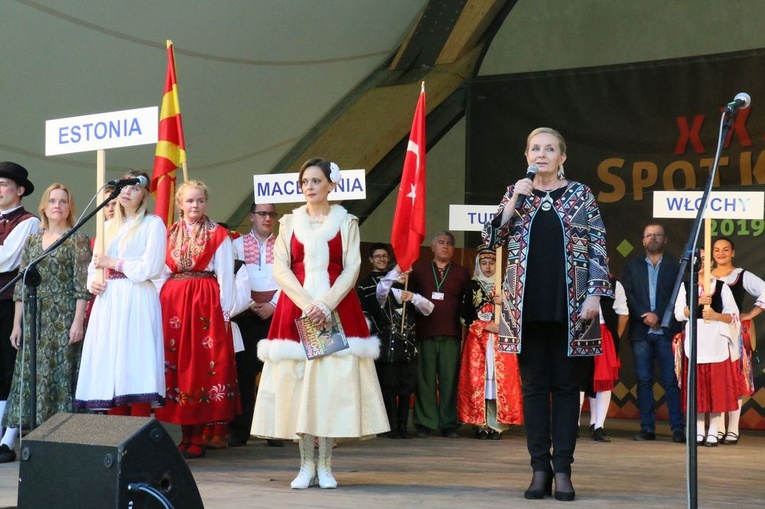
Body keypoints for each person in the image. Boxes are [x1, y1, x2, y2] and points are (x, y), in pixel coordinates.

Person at [483, 127, 610, 501]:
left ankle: (564, 470)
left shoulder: (580, 194)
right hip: (526, 308)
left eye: (549, 149)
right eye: (535, 148)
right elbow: (491, 240)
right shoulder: (516, 193)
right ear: (526, 155)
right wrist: (512, 203)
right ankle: (540, 469)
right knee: (534, 389)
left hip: (572, 308)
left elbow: (598, 245)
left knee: (568, 388)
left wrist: (595, 295)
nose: (542, 154)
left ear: (562, 157)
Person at [251, 158, 388, 490]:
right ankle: (304, 464)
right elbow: (281, 267)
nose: (309, 187)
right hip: (296, 311)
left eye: (315, 181)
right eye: (304, 182)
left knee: (328, 387)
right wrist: (307, 303)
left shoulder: (347, 222)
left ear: (330, 185)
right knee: (299, 386)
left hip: (336, 310)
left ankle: (326, 464)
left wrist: (325, 304)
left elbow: (352, 266)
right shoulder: (289, 222)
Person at [0, 184, 90, 464]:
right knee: (29, 373)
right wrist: (17, 324)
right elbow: (23, 286)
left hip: (63, 313)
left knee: (60, 374)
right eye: (52, 201)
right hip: (36, 312)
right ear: (44, 206)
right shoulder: (33, 241)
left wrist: (78, 321)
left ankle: (62, 438)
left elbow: (81, 284)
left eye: (63, 201)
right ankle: (18, 439)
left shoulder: (77, 239)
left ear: (69, 207)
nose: (57, 206)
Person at [154, 180, 239, 460]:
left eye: (200, 201)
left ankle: (199, 436)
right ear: (180, 203)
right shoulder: (167, 234)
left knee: (202, 367)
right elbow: (161, 273)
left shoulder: (218, 234)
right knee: (178, 367)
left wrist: (224, 312)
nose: (195, 206)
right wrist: (155, 307)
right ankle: (185, 435)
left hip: (204, 304)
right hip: (174, 304)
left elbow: (226, 275)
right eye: (190, 201)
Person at [74, 170, 166, 418]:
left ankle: (138, 429)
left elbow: (151, 267)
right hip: (109, 299)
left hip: (136, 296)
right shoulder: (106, 226)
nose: (127, 191)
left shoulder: (152, 224)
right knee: (110, 363)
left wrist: (114, 263)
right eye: (124, 186)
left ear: (144, 194)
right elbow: (94, 266)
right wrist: (93, 282)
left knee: (135, 361)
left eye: (134, 188)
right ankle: (115, 433)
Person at [357, 244, 434, 439]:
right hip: (388, 348)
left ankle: (402, 426)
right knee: (389, 386)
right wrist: (397, 270)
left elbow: (429, 308)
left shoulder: (410, 295)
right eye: (399, 273)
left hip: (408, 348)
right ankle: (390, 426)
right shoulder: (384, 294)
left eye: (404, 274)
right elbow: (382, 288)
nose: (401, 277)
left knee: (407, 387)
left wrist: (414, 297)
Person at [622, 222, 685, 443]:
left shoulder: (677, 266)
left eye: (657, 235)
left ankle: (678, 428)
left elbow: (678, 294)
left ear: (665, 239)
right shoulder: (632, 266)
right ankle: (647, 428)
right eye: (649, 235)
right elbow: (628, 294)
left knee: (671, 380)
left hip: (667, 330)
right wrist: (645, 315)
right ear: (642, 240)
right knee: (644, 381)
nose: (653, 238)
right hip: (641, 331)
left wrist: (658, 314)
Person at [408, 231, 470, 439]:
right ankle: (424, 423)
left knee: (449, 380)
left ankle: (448, 423)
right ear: (432, 247)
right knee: (424, 380)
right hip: (425, 332)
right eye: (441, 242)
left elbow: (469, 304)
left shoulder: (461, 272)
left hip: (451, 334)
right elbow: (408, 297)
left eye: (450, 244)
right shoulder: (419, 269)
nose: (446, 246)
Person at [229, 202, 282, 448]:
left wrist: (273, 303)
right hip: (246, 314)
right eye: (262, 213)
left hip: (276, 314)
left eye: (271, 214)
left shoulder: (283, 244)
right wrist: (249, 303)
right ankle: (241, 431)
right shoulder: (236, 245)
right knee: (244, 374)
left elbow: (290, 278)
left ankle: (274, 431)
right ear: (251, 216)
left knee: (275, 373)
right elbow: (232, 278)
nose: (267, 218)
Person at [457, 245, 522, 440]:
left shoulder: (506, 287)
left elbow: (518, 314)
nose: (488, 267)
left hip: (501, 343)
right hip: (478, 343)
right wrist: (484, 327)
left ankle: (497, 424)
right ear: (478, 264)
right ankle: (480, 424)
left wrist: (506, 303)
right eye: (483, 263)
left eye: (492, 263)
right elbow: (463, 316)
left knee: (498, 383)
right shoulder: (471, 287)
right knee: (480, 383)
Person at [675, 249, 739, 446]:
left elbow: (733, 315)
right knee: (697, 387)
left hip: (716, 342)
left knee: (716, 388)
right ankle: (698, 429)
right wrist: (696, 304)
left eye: (704, 259)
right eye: (697, 260)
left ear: (711, 262)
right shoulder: (686, 287)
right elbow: (678, 313)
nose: (701, 263)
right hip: (695, 342)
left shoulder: (721, 287)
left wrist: (716, 316)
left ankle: (714, 429)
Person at [0, 162, 39, 456]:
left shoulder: (28, 222)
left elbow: (9, 258)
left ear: (20, 190)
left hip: (9, 301)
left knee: (9, 367)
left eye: (3, 184)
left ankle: (8, 436)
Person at [711, 237, 764, 444]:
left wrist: (750, 313)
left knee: (735, 378)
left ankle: (733, 427)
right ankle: (719, 427)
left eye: (725, 249)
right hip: (710, 334)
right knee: (716, 378)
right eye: (717, 250)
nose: (721, 253)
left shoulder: (741, 275)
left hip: (733, 334)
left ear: (733, 252)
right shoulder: (704, 277)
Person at [579, 273, 628, 442]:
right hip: (579, 333)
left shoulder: (614, 284)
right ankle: (573, 424)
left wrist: (615, 337)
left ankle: (598, 425)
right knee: (577, 379)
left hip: (604, 334)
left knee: (603, 380)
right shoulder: (575, 279)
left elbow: (623, 313)